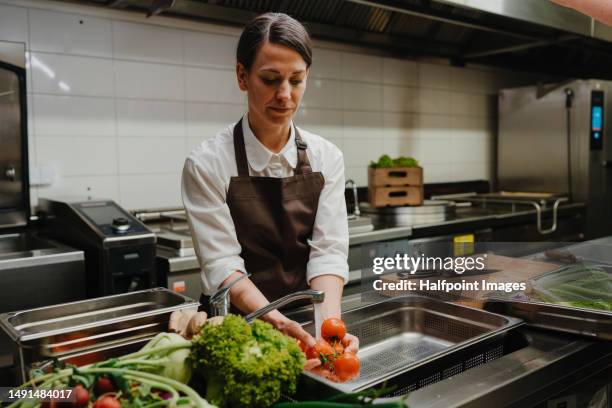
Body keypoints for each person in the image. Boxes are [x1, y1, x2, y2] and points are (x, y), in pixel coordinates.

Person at [174, 12, 358, 357]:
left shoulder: (326, 157)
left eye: (296, 80)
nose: (285, 94)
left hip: (304, 321)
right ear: (242, 76)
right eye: (271, 79)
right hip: (234, 327)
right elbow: (223, 266)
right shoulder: (206, 163)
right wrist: (277, 322)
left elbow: (328, 254)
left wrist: (329, 329)